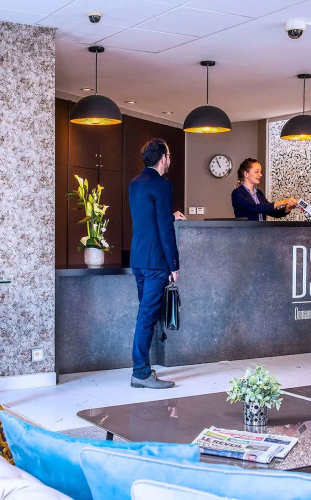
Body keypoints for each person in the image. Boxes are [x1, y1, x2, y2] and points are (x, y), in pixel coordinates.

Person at [128, 138, 185, 389]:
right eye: (169, 155)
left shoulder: (135, 183)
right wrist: (174, 264)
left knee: (145, 315)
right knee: (147, 317)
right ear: (163, 158)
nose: (169, 159)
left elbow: (148, 218)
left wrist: (170, 215)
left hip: (139, 259)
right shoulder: (162, 185)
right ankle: (141, 373)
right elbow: (164, 229)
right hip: (155, 264)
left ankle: (142, 370)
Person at [231, 158, 297, 220]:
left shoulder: (259, 193)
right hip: (246, 229)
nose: (260, 175)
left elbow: (274, 212)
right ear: (246, 174)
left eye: (260, 172)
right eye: (256, 172)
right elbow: (254, 208)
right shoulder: (237, 193)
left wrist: (288, 207)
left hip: (261, 228)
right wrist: (283, 202)